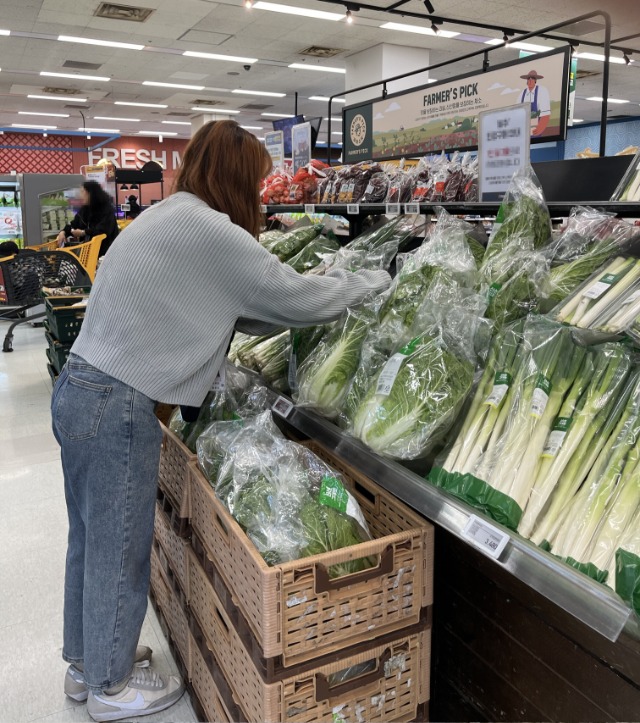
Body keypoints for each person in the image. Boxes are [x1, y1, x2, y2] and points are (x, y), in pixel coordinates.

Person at [50, 120, 390, 723]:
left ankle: (87, 664)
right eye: (256, 181)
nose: (260, 194)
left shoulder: (170, 216)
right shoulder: (214, 231)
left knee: (91, 537)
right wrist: (374, 280)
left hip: (80, 390)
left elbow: (241, 308)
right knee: (120, 545)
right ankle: (110, 685)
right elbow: (299, 300)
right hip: (118, 402)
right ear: (235, 177)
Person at [56, 181, 119, 256]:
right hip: (88, 255)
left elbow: (103, 230)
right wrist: (63, 232)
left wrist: (84, 232)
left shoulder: (107, 210)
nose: (81, 195)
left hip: (106, 254)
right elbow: (74, 224)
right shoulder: (85, 209)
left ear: (91, 193)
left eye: (83, 192)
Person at [519, 69, 551, 137]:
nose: (530, 80)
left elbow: (545, 114)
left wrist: (539, 129)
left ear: (535, 80)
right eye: (528, 78)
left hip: (536, 130)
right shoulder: (522, 93)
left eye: (532, 78)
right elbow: (517, 113)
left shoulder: (542, 91)